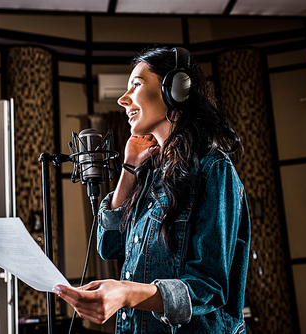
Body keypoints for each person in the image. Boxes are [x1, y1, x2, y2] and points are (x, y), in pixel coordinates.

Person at [54, 46, 251, 334]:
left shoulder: (213, 169)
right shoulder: (147, 173)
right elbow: (108, 246)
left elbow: (210, 286)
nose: (123, 100)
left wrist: (126, 293)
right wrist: (130, 166)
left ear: (175, 89)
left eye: (135, 85)